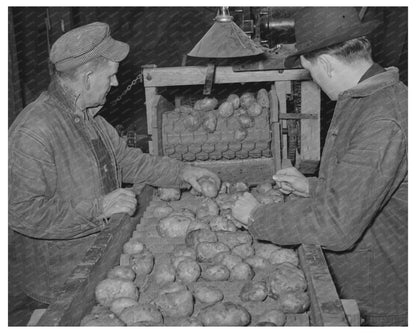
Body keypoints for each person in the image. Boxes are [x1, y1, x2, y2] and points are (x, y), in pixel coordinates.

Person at [8, 22, 220, 306]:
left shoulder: (88, 117)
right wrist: (100, 208)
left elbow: (127, 161)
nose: (115, 82)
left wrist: (183, 172)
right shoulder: (35, 131)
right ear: (86, 78)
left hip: (99, 260)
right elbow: (22, 212)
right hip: (59, 283)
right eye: (111, 75)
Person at [232, 7, 407, 326]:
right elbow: (368, 186)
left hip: (384, 295)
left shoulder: (382, 118)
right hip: (368, 272)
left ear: (325, 63)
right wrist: (312, 187)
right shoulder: (370, 99)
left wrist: (258, 216)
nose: (313, 80)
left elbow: (337, 227)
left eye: (311, 72)